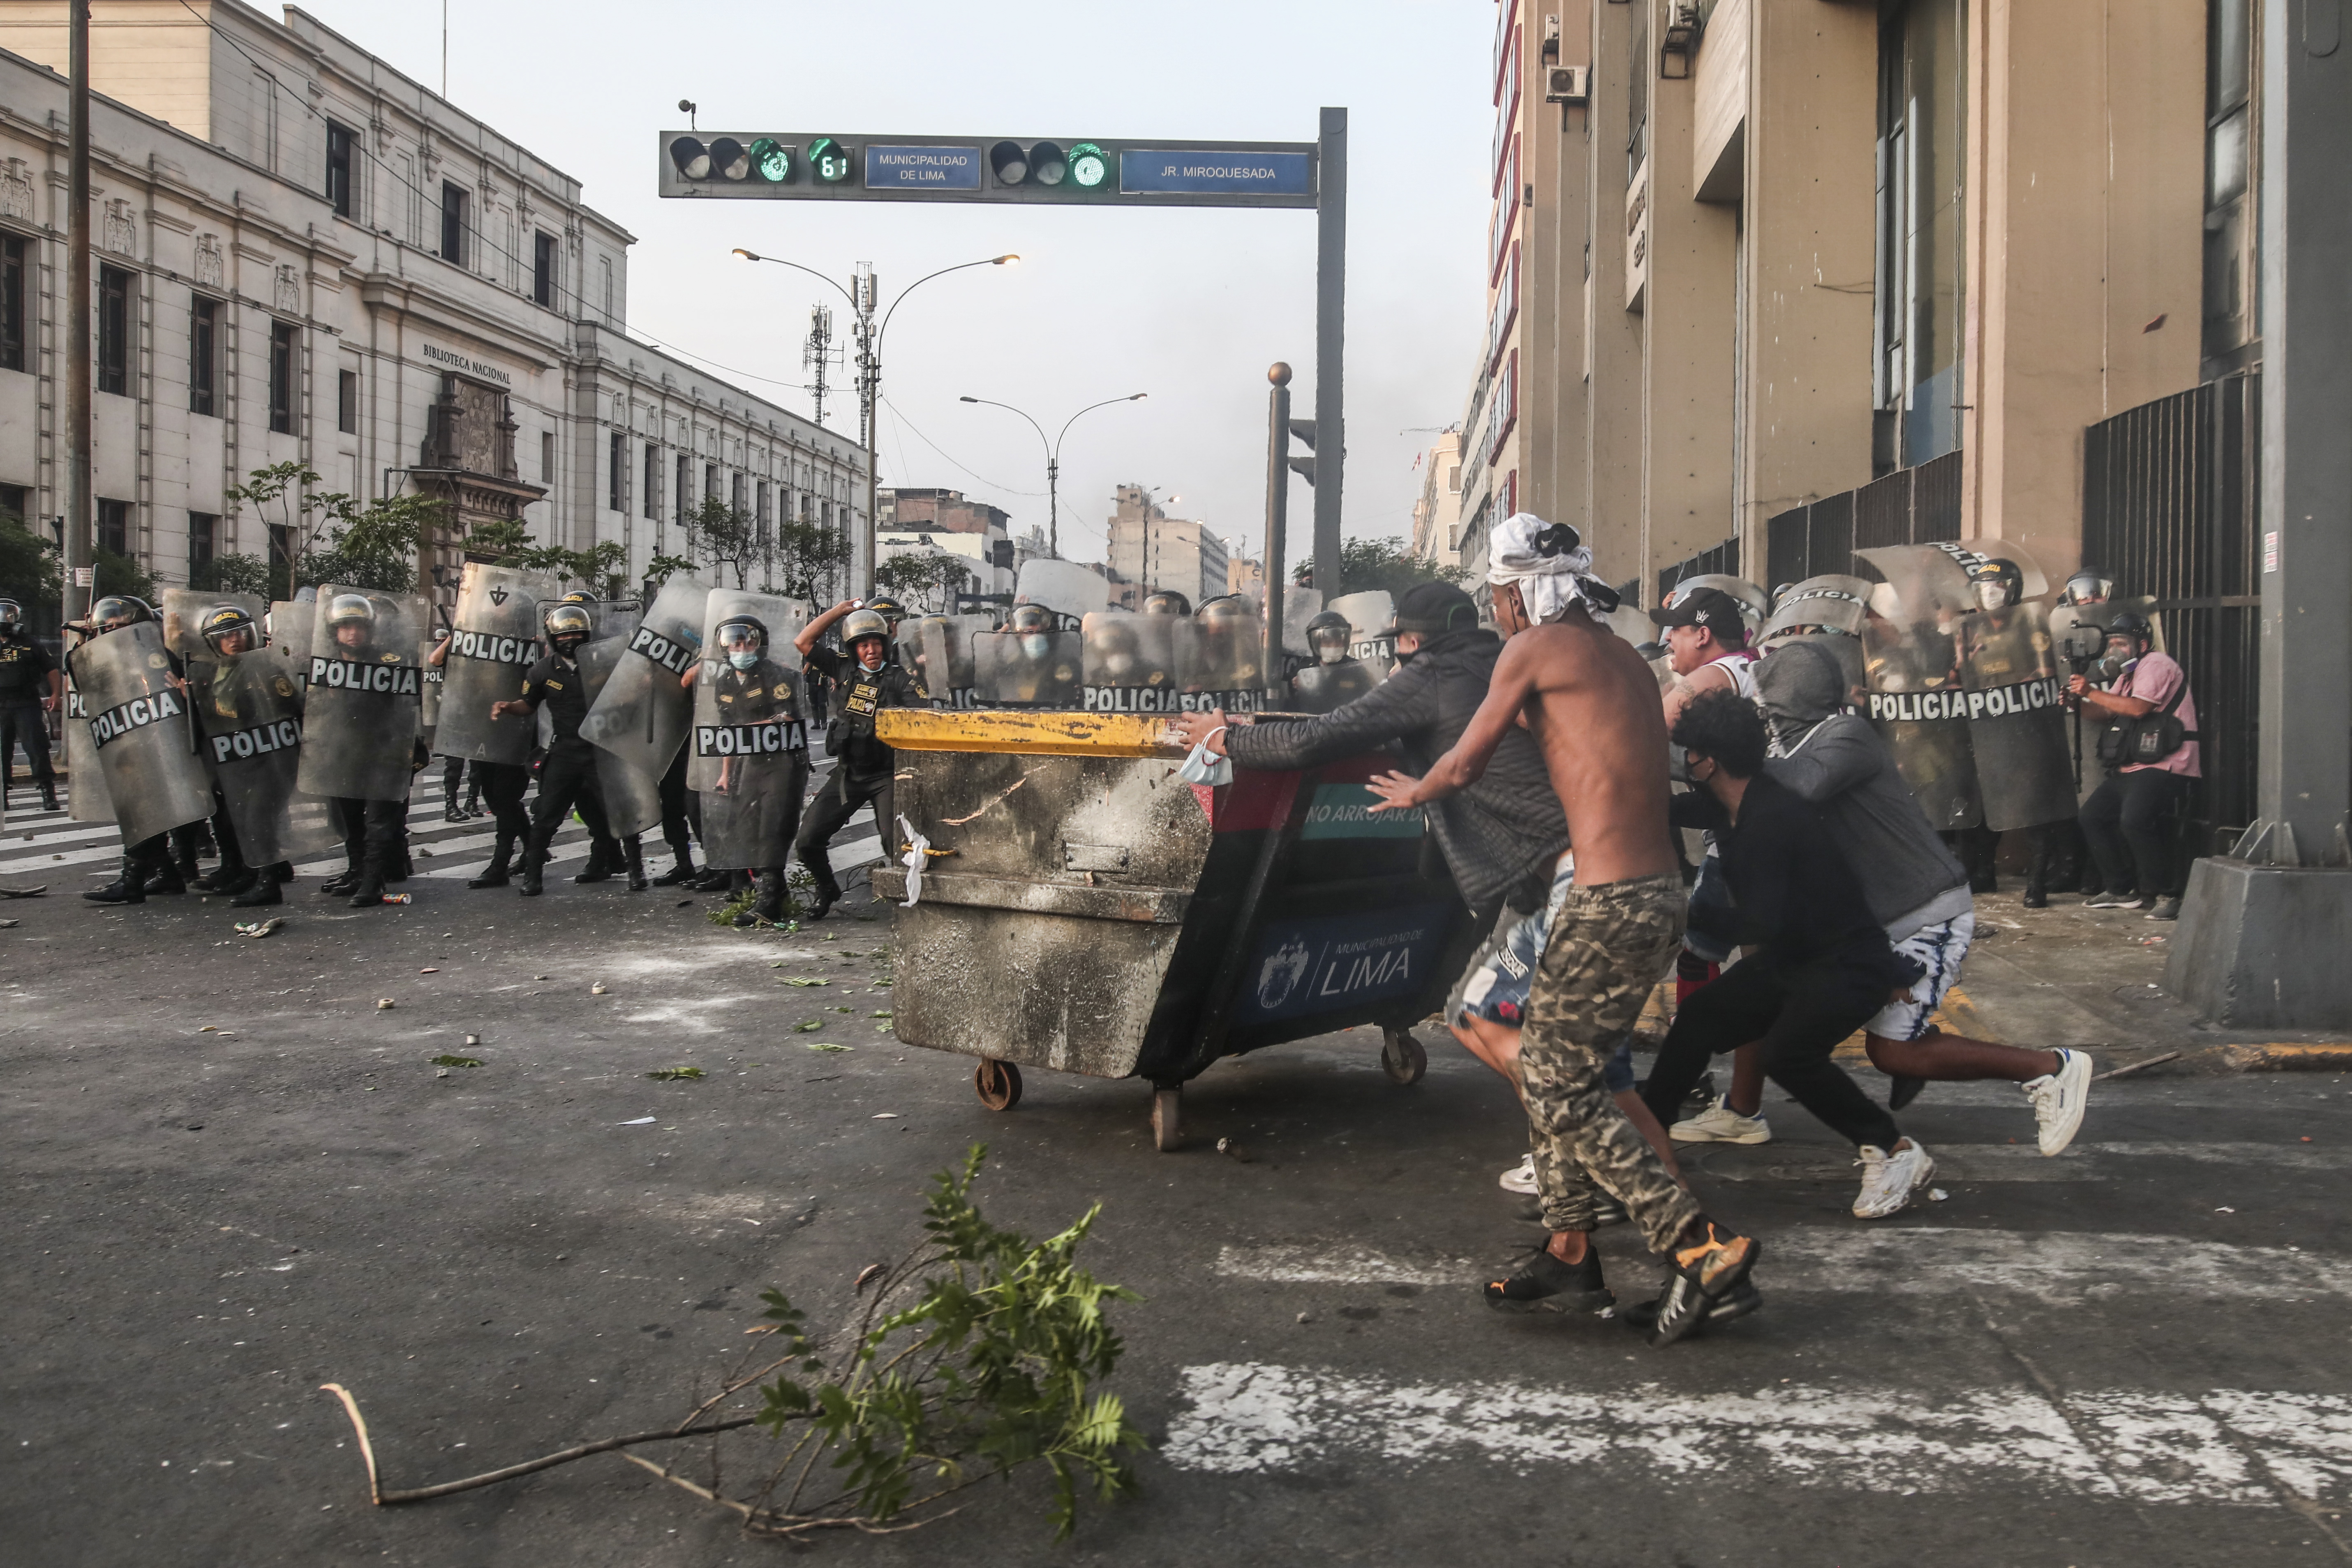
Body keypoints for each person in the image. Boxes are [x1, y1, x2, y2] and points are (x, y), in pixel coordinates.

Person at [1364, 512, 1759, 1347]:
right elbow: (1554, 738)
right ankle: (1570, 1252)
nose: (1498, 613)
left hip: (1609, 897)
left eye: (1499, 596)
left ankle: (1699, 1245)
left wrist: (1416, 788)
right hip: (1655, 891)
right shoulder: (1618, 654)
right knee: (1559, 1062)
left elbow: (1465, 760)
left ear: (1518, 592)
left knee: (1552, 1080)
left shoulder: (1533, 649)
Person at [1752, 639, 2093, 1149]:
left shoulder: (1844, 734)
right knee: (1801, 1020)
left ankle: (2050, 1067)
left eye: (1767, 701)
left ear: (1786, 699)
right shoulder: (1790, 748)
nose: (1762, 712)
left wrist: (1724, 757)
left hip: (1924, 912)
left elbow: (1803, 784)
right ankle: (1917, 1047)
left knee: (1889, 1051)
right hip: (1872, 923)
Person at [1640, 690, 1944, 1219]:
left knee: (1788, 1055)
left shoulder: (1771, 819)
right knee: (1699, 1016)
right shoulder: (1732, 799)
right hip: (1800, 956)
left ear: (1707, 761)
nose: (1682, 758)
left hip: (1846, 963)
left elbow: (1762, 922)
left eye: (1686, 750)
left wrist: (1679, 915)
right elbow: (1671, 806)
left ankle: (1894, 1151)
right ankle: (1644, 1141)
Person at [492, 601, 642, 896]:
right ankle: (533, 877)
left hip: (603, 750)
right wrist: (509, 707)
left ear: (587, 634)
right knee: (546, 815)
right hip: (565, 751)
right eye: (562, 637)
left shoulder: (604, 661)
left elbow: (630, 694)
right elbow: (529, 705)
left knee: (621, 811)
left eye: (576, 635)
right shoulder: (541, 671)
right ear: (552, 638)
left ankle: (637, 872)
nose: (569, 641)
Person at [793, 601, 920, 921]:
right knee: (808, 840)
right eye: (864, 645)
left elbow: (923, 718)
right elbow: (803, 642)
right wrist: (840, 611)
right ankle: (827, 888)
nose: (871, 650)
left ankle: (911, 906)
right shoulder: (842, 670)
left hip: (886, 775)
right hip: (849, 773)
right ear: (854, 649)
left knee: (896, 843)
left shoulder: (901, 679)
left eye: (877, 643)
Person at [2071, 610, 2198, 920]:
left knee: (2134, 820)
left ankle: (2169, 893)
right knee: (2092, 816)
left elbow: (2139, 708)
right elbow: (2105, 712)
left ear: (2142, 645)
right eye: (2112, 643)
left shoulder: (2156, 664)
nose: (2116, 650)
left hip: (2167, 764)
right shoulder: (2126, 675)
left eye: (2122, 643)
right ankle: (2120, 888)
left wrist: (2091, 691)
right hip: (2135, 765)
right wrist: (2077, 702)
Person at [425, 630, 535, 890]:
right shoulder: (473, 644)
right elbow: (435, 660)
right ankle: (534, 850)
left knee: (506, 798)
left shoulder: (526, 639)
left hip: (516, 731)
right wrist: (458, 632)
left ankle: (500, 865)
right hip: (485, 730)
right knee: (495, 799)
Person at [0, 597, 61, 812]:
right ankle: (3, 795)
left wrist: (55, 694)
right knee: (1, 751)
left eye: (8, 614)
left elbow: (51, 669)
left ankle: (48, 792)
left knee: (37, 747)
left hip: (26, 702)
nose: (4, 619)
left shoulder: (29, 643)